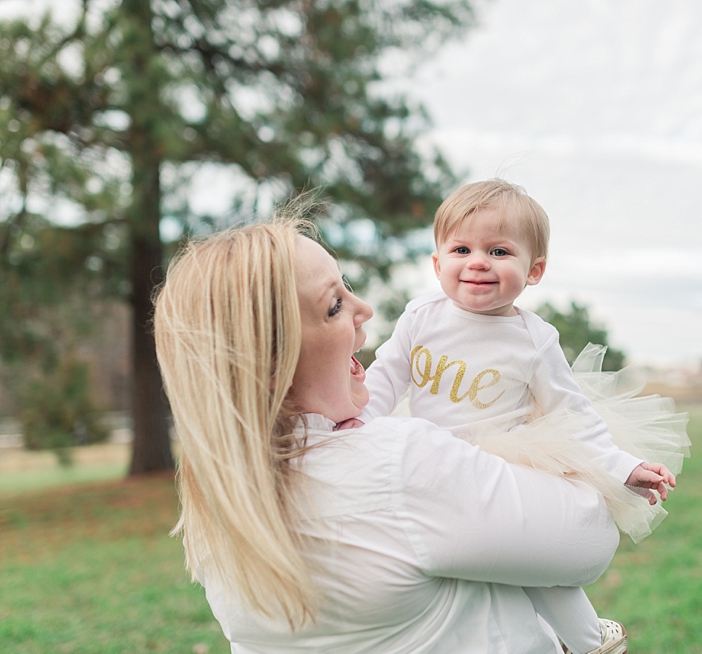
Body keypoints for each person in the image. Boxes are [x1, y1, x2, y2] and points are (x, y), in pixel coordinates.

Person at [153, 216, 623, 653]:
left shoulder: (221, 503)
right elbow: (589, 539)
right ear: (270, 365)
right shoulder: (398, 464)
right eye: (334, 306)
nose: (365, 309)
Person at [355, 179, 690, 654]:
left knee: (530, 560)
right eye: (461, 248)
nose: (477, 262)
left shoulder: (533, 338)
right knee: (456, 568)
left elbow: (573, 412)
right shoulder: (420, 316)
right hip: (429, 455)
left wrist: (622, 466)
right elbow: (385, 377)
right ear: (436, 263)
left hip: (503, 465)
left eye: (498, 251)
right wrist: (355, 425)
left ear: (534, 270)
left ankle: (590, 641)